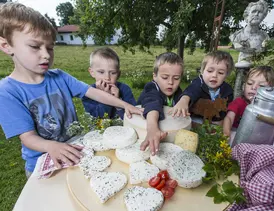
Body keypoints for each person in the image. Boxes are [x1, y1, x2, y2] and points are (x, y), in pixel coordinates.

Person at [0, 2, 142, 177]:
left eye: (50, 47)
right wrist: (50, 146)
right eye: (35, 46)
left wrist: (125, 105)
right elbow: (27, 137)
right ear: (6, 45)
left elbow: (94, 93)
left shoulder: (60, 76)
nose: (46, 54)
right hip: (44, 163)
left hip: (75, 152)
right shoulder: (7, 91)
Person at [137, 52, 183, 155]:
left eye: (176, 78)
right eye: (165, 77)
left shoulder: (178, 92)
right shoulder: (151, 88)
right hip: (146, 133)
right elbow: (152, 103)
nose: (170, 82)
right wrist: (152, 128)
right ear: (155, 76)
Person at [171, 50, 234, 125]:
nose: (214, 75)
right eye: (210, 71)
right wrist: (183, 101)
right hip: (193, 120)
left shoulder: (227, 91)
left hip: (214, 123)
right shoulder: (198, 83)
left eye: (220, 73)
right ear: (202, 71)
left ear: (226, 75)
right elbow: (191, 91)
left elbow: (225, 109)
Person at [223, 66, 274, 138]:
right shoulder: (239, 102)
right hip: (236, 134)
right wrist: (226, 133)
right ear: (244, 85)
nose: (253, 87)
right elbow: (229, 118)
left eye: (261, 86)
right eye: (250, 83)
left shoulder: (270, 109)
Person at [82, 47, 136, 119]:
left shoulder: (124, 89)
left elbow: (132, 117)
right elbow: (97, 119)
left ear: (118, 74)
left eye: (113, 73)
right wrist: (106, 96)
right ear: (92, 72)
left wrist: (118, 102)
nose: (107, 77)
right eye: (101, 72)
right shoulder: (88, 93)